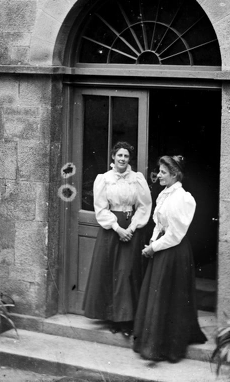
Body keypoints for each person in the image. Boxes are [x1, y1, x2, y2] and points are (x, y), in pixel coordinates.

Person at [132, 155, 207, 363]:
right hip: (162, 249)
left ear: (175, 175)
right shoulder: (165, 194)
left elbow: (175, 234)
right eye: (160, 171)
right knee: (158, 295)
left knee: (169, 297)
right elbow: (160, 224)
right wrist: (152, 242)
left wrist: (154, 247)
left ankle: (168, 347)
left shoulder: (182, 198)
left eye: (164, 172)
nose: (159, 175)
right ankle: (154, 341)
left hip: (174, 252)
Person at [83, 141, 152, 336]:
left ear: (130, 159)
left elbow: (144, 205)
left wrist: (131, 227)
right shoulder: (104, 179)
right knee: (112, 271)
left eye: (126, 156)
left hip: (132, 228)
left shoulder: (137, 179)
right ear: (113, 157)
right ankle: (113, 318)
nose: (123, 159)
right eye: (119, 155)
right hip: (111, 229)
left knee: (127, 272)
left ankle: (128, 320)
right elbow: (101, 208)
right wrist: (117, 228)